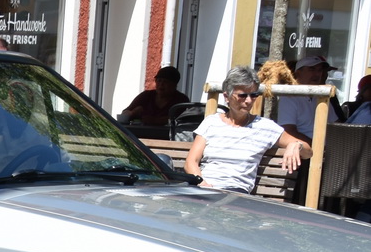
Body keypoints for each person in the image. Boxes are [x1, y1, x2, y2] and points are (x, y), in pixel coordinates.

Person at [184, 64, 308, 193]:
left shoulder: (265, 127)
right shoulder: (211, 122)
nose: (248, 101)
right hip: (203, 189)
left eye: (254, 95)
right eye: (242, 95)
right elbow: (191, 162)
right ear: (227, 97)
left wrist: (296, 145)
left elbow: (309, 152)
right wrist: (202, 183)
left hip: (235, 193)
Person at [277, 54, 344, 141]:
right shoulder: (289, 96)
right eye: (311, 69)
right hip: (301, 150)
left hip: (326, 149)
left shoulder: (321, 95)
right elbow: (288, 131)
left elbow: (336, 125)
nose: (317, 74)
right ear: (298, 73)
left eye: (319, 70)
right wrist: (314, 146)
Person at [118, 65, 189, 127]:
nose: (161, 84)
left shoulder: (181, 100)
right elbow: (124, 115)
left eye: (166, 82)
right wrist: (133, 113)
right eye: (159, 81)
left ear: (174, 85)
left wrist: (151, 119)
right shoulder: (146, 96)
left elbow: (178, 120)